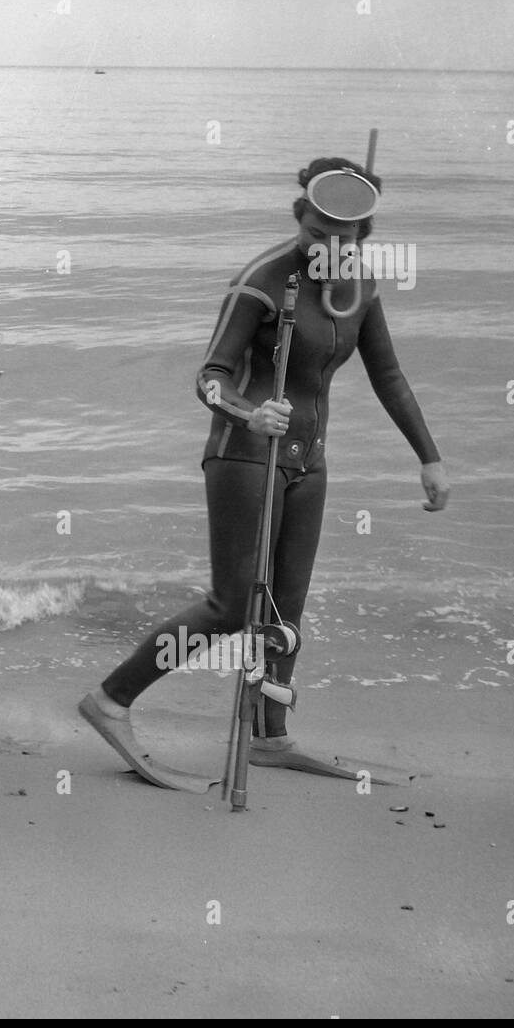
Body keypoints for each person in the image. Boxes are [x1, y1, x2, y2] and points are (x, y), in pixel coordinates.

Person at [80, 156, 451, 772]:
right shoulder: (260, 280)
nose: (323, 249)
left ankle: (270, 735)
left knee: (287, 605)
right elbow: (209, 376)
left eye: (341, 239)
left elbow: (387, 372)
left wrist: (429, 458)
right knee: (231, 607)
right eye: (314, 233)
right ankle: (110, 700)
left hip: (309, 461)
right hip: (244, 454)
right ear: (298, 215)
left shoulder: (362, 285)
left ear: (363, 236)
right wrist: (248, 413)